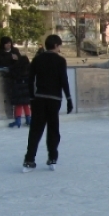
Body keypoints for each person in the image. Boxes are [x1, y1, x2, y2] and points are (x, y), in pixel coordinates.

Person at [22, 35, 73, 172]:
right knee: (53, 129)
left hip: (39, 98)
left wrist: (32, 97)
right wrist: (68, 98)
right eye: (59, 46)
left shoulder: (37, 59)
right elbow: (64, 80)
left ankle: (29, 159)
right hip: (54, 99)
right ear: (56, 45)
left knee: (35, 130)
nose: (59, 49)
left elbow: (31, 80)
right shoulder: (60, 61)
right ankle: (52, 158)